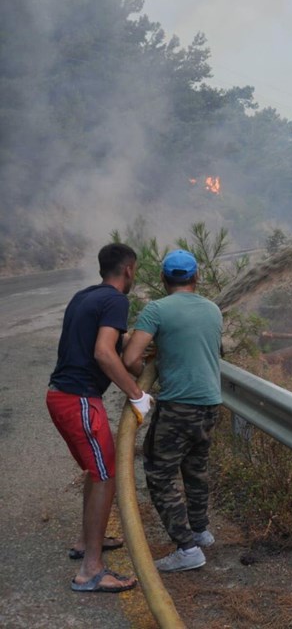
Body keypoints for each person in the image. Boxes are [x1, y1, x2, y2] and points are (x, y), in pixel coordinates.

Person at [47, 242, 152, 593]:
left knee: (97, 470)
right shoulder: (116, 300)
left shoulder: (84, 296)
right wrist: (137, 395)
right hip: (78, 399)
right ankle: (90, 571)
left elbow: (109, 344)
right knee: (106, 474)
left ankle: (86, 541)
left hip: (60, 396)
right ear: (129, 270)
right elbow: (104, 353)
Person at [123, 249, 223, 573]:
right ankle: (201, 531)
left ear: (163, 278)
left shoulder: (157, 310)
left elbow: (130, 358)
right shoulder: (213, 310)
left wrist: (146, 377)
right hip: (210, 404)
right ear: (196, 277)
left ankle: (187, 548)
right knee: (196, 468)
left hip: (178, 405)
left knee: (159, 473)